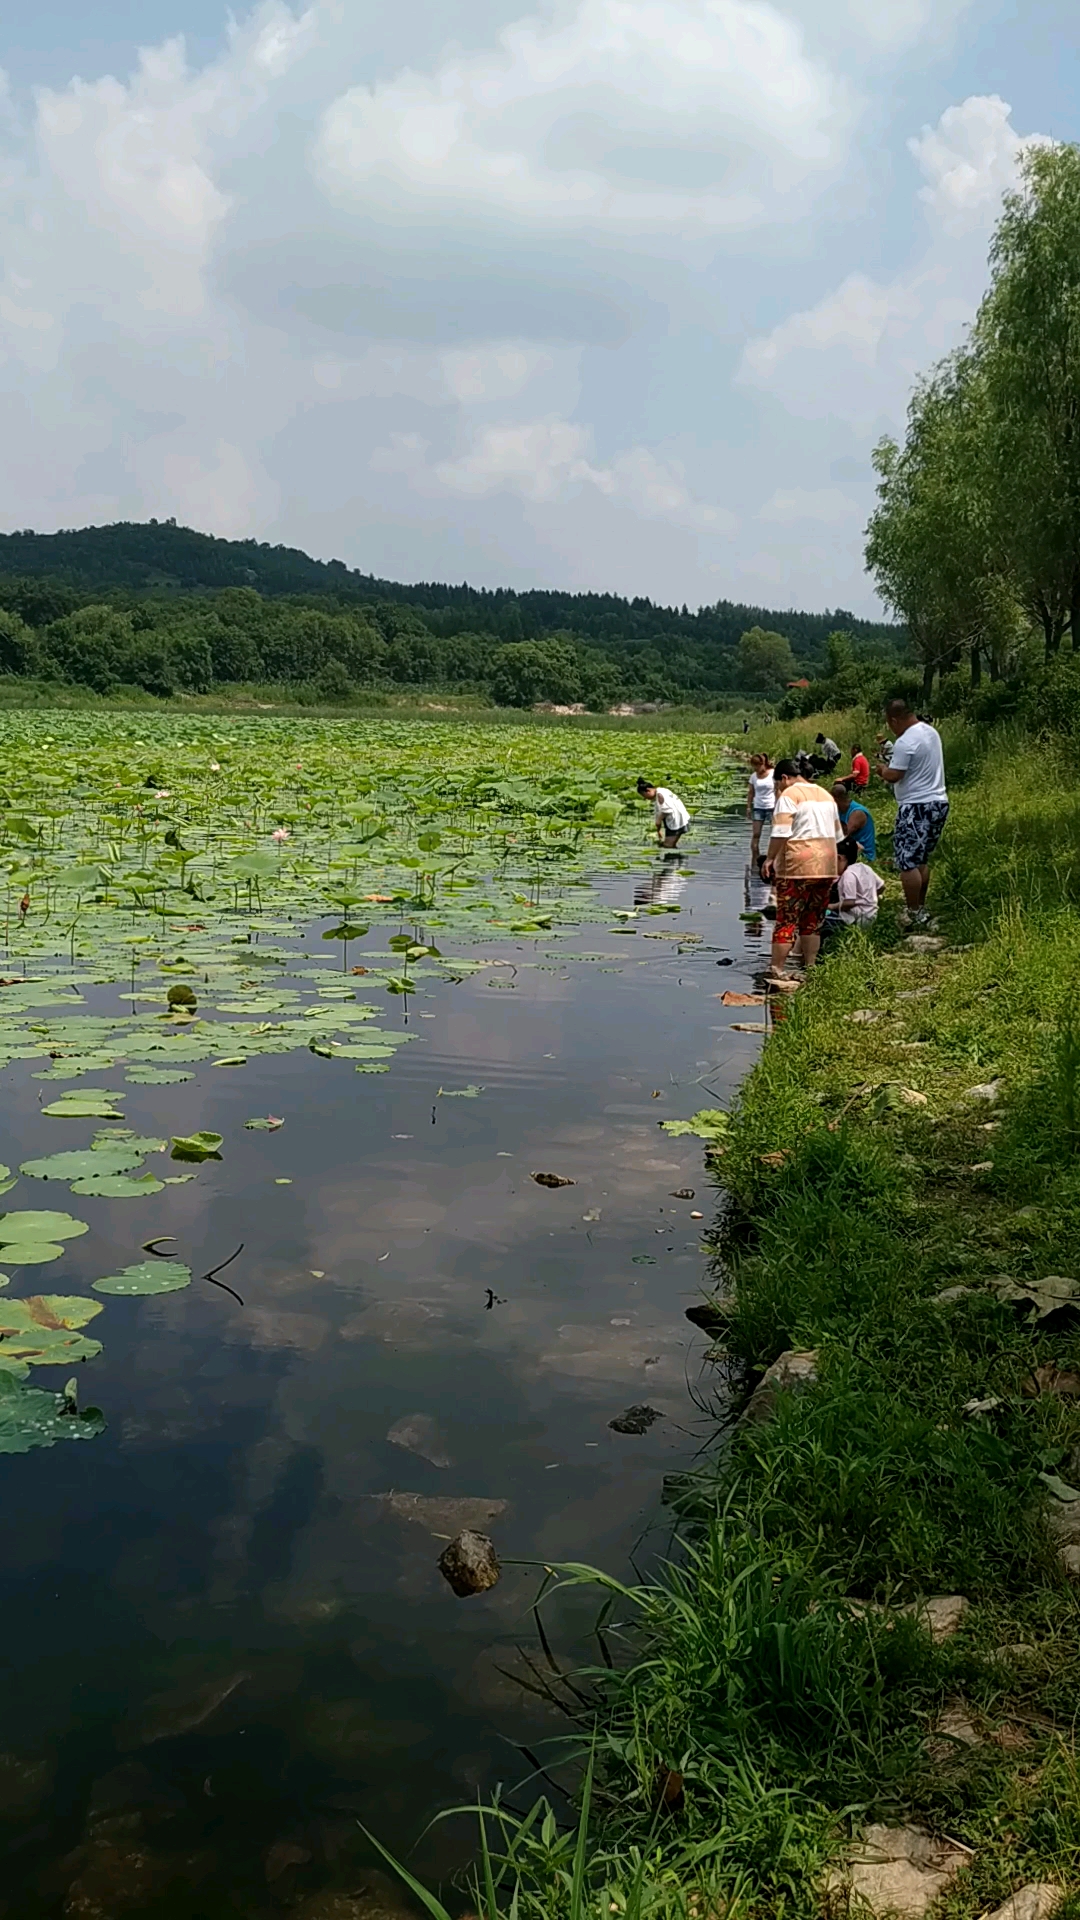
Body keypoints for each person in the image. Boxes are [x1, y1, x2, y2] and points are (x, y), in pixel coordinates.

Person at [762, 758, 843, 978]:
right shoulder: (826, 795)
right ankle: (810, 967)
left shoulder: (789, 795)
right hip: (827, 865)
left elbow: (781, 832)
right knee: (812, 920)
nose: (778, 789)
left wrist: (770, 859)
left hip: (797, 866)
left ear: (784, 778)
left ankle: (777, 969)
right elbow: (838, 835)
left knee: (786, 920)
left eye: (778, 784)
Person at [875, 698, 948, 922]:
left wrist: (882, 770)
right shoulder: (930, 732)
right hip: (938, 802)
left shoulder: (905, 741)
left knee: (907, 863)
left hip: (915, 806)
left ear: (894, 720)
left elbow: (895, 775)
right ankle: (920, 907)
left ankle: (913, 911)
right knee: (921, 859)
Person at [834, 836, 885, 926]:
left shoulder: (848, 874)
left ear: (839, 858)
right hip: (871, 915)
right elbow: (881, 887)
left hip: (857, 919)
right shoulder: (865, 868)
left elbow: (849, 903)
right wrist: (868, 898)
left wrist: (832, 906)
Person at [637, 778, 690, 848]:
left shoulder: (660, 795)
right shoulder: (662, 790)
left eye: (644, 796)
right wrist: (658, 830)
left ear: (648, 791)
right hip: (681, 818)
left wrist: (658, 821)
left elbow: (667, 810)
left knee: (668, 846)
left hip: (676, 821)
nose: (645, 798)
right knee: (669, 845)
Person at [831, 781, 876, 860]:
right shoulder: (839, 810)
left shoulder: (857, 813)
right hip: (849, 849)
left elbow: (842, 836)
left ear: (836, 799)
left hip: (863, 855)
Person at [745, 754, 775, 861]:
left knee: (774, 832)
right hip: (758, 807)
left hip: (771, 807)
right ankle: (754, 858)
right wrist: (749, 807)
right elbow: (751, 792)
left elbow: (778, 789)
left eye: (757, 766)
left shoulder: (773, 774)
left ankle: (772, 856)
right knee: (756, 833)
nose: (755, 769)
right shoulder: (753, 777)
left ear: (763, 764)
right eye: (754, 766)